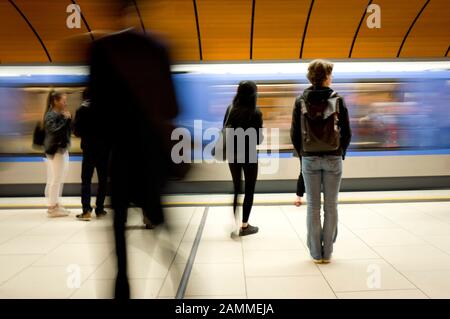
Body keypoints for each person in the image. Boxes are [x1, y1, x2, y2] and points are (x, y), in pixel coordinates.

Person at [87, 1, 181, 299]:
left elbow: (97, 114)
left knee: (118, 226)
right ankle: (182, 286)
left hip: (121, 156)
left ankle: (122, 287)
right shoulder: (157, 48)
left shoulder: (99, 50)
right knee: (162, 224)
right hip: (152, 156)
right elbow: (172, 107)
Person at [290, 59, 352, 264]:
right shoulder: (338, 99)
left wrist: (303, 155)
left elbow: (294, 134)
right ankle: (328, 252)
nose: (331, 78)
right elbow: (347, 132)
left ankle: (316, 254)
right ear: (326, 77)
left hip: (309, 159)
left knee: (313, 208)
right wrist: (340, 152)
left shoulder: (300, 101)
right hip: (333, 157)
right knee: (331, 207)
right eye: (330, 75)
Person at [225, 81, 263, 237]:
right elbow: (258, 139)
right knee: (249, 191)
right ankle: (244, 226)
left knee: (237, 188)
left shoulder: (230, 109)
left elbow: (225, 130)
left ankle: (235, 224)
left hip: (232, 155)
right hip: (249, 156)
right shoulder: (256, 112)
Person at [73, 88, 109, 221]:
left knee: (86, 180)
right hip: (104, 150)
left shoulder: (81, 110)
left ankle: (86, 211)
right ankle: (100, 209)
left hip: (89, 150)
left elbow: (76, 132)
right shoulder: (105, 109)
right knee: (103, 180)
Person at [44, 91, 72, 217]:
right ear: (56, 101)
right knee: (55, 179)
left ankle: (55, 203)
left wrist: (68, 120)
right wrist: (65, 121)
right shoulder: (50, 115)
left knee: (58, 178)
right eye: (63, 100)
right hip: (56, 150)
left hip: (62, 149)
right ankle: (52, 208)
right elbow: (54, 131)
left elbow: (66, 131)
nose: (65, 103)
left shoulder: (59, 114)